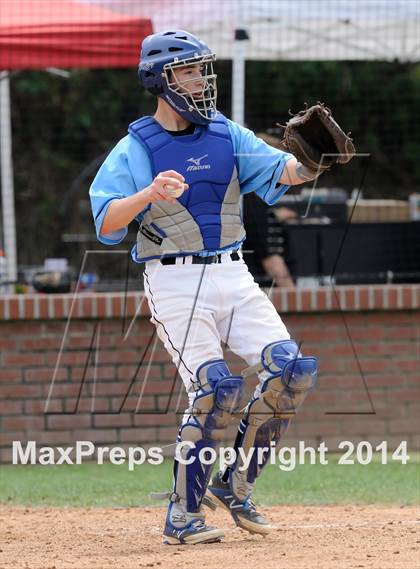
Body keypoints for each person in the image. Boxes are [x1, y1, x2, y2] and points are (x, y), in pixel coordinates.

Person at [90, 30, 322, 545]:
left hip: (233, 273)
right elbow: (106, 222)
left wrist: (315, 161)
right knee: (216, 388)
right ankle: (181, 514)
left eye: (201, 70)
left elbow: (283, 171)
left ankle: (235, 485)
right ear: (159, 79)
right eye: (189, 71)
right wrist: (148, 193)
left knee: (292, 370)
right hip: (174, 280)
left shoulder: (226, 132)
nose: (200, 80)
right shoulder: (135, 146)